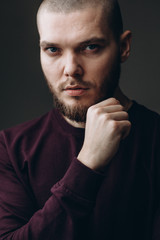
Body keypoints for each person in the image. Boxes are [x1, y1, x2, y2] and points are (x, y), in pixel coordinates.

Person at [0, 0, 160, 239]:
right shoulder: (10, 148)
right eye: (53, 50)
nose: (71, 69)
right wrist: (87, 165)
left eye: (90, 47)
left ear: (124, 46)